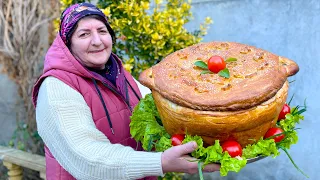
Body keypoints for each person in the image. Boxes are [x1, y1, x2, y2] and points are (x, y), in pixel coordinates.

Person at [32, 3, 220, 180]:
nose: (97, 41)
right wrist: (160, 162)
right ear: (68, 44)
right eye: (84, 34)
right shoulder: (56, 87)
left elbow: (161, 113)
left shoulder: (119, 74)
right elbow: (86, 158)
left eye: (102, 31)